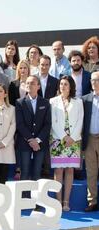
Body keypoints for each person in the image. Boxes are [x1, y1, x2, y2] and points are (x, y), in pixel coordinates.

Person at [50, 75, 83, 211]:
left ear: (71, 87)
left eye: (66, 84)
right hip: (58, 140)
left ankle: (66, 202)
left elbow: (80, 120)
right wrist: (64, 137)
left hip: (74, 141)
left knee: (70, 170)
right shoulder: (53, 101)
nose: (63, 86)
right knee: (58, 170)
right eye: (61, 84)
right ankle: (58, 201)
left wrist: (72, 137)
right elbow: (53, 122)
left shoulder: (78, 102)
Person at [15, 75, 51, 183]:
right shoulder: (20, 102)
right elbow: (20, 124)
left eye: (33, 83)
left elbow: (47, 124)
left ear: (38, 86)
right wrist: (31, 140)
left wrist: (38, 140)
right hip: (25, 142)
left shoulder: (45, 102)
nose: (30, 85)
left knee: (37, 173)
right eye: (28, 83)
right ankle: (23, 198)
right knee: (25, 172)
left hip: (40, 143)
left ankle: (36, 199)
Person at [82, 71, 99, 212]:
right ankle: (92, 201)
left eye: (97, 80)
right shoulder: (85, 99)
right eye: (92, 80)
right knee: (91, 171)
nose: (94, 82)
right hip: (89, 139)